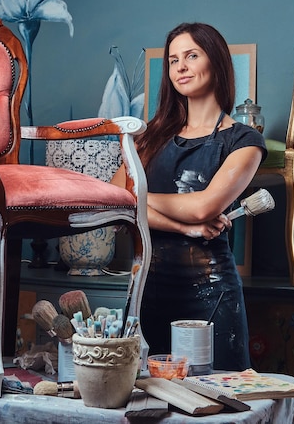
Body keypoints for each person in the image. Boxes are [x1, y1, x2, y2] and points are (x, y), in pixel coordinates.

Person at [112, 22, 266, 371]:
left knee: (217, 400)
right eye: (172, 60)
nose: (180, 67)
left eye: (191, 55)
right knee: (147, 399)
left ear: (216, 62)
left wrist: (139, 196)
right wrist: (184, 228)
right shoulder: (150, 137)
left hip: (210, 293)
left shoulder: (244, 141)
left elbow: (203, 206)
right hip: (147, 290)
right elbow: (114, 200)